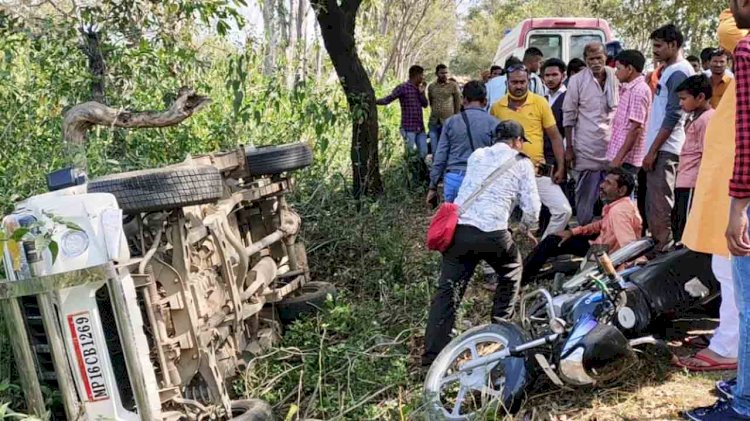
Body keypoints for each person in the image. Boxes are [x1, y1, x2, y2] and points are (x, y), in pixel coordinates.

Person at [421, 121, 540, 366]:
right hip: (493, 234)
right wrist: (527, 227)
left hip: (461, 232)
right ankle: (499, 330)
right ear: (517, 141)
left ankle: (432, 356)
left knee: (448, 292)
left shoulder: (477, 155)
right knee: (512, 270)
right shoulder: (523, 162)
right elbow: (532, 208)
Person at [684, 3, 750, 419]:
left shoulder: (744, 48)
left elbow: (747, 136)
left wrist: (738, 206)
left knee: (746, 297)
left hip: (742, 192)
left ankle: (744, 402)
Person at [490, 65, 571, 238]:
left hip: (537, 172)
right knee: (497, 218)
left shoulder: (540, 102)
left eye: (522, 82)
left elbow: (556, 137)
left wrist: (561, 167)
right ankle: (503, 250)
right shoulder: (497, 108)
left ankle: (541, 249)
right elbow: (492, 143)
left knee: (563, 211)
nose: (518, 86)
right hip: (507, 175)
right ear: (507, 83)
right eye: (514, 82)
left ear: (528, 82)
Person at [522, 168, 641, 285]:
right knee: (560, 239)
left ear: (621, 190)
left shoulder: (618, 212)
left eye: (608, 183)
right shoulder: (620, 206)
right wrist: (573, 232)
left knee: (551, 241)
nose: (601, 185)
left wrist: (629, 272)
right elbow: (601, 224)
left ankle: (521, 277)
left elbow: (629, 246)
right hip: (601, 246)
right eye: (604, 181)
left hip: (603, 253)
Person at [641, 24, 694, 254]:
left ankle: (663, 252)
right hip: (661, 148)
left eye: (659, 46)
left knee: (661, 205)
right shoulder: (670, 70)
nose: (655, 51)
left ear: (673, 45)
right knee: (655, 204)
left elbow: (673, 115)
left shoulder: (679, 71)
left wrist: (653, 151)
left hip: (666, 149)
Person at [563, 42, 619, 226]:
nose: (595, 62)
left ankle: (610, 232)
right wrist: (569, 148)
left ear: (606, 57)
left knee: (614, 194)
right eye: (591, 59)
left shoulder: (615, 76)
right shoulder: (577, 80)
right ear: (585, 60)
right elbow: (569, 115)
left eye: (599, 58)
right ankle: (583, 231)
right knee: (585, 197)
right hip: (586, 147)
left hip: (612, 147)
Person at [427, 81, 499, 204]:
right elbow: (498, 157)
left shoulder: (450, 122)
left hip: (454, 178)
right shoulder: (494, 123)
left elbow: (441, 155)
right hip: (481, 180)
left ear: (463, 100)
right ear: (485, 101)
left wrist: (433, 186)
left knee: (453, 220)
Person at [672, 75, 714, 243]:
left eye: (684, 98)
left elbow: (708, 154)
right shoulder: (694, 118)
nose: (681, 103)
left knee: (687, 230)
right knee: (679, 224)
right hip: (684, 180)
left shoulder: (708, 119)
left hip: (693, 183)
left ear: (700, 97)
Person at [376, 65, 429, 183]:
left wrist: (422, 93)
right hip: (408, 127)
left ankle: (420, 176)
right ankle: (410, 179)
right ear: (417, 75)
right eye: (422, 75)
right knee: (410, 154)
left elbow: (425, 105)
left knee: (424, 152)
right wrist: (374, 101)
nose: (423, 77)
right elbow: (388, 99)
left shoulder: (418, 89)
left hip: (420, 128)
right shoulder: (403, 88)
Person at [607, 50, 652, 179]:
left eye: (618, 68)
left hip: (626, 160)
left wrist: (618, 158)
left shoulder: (639, 90)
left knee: (621, 195)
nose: (616, 73)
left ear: (630, 69)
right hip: (620, 156)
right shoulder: (628, 88)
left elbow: (636, 128)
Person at [427, 64, 461, 155]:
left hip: (448, 122)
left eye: (446, 73)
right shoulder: (431, 87)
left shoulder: (453, 85)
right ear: (436, 74)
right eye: (442, 73)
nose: (445, 75)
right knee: (435, 149)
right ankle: (435, 166)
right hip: (434, 121)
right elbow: (431, 101)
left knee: (447, 148)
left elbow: (458, 103)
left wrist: (455, 119)